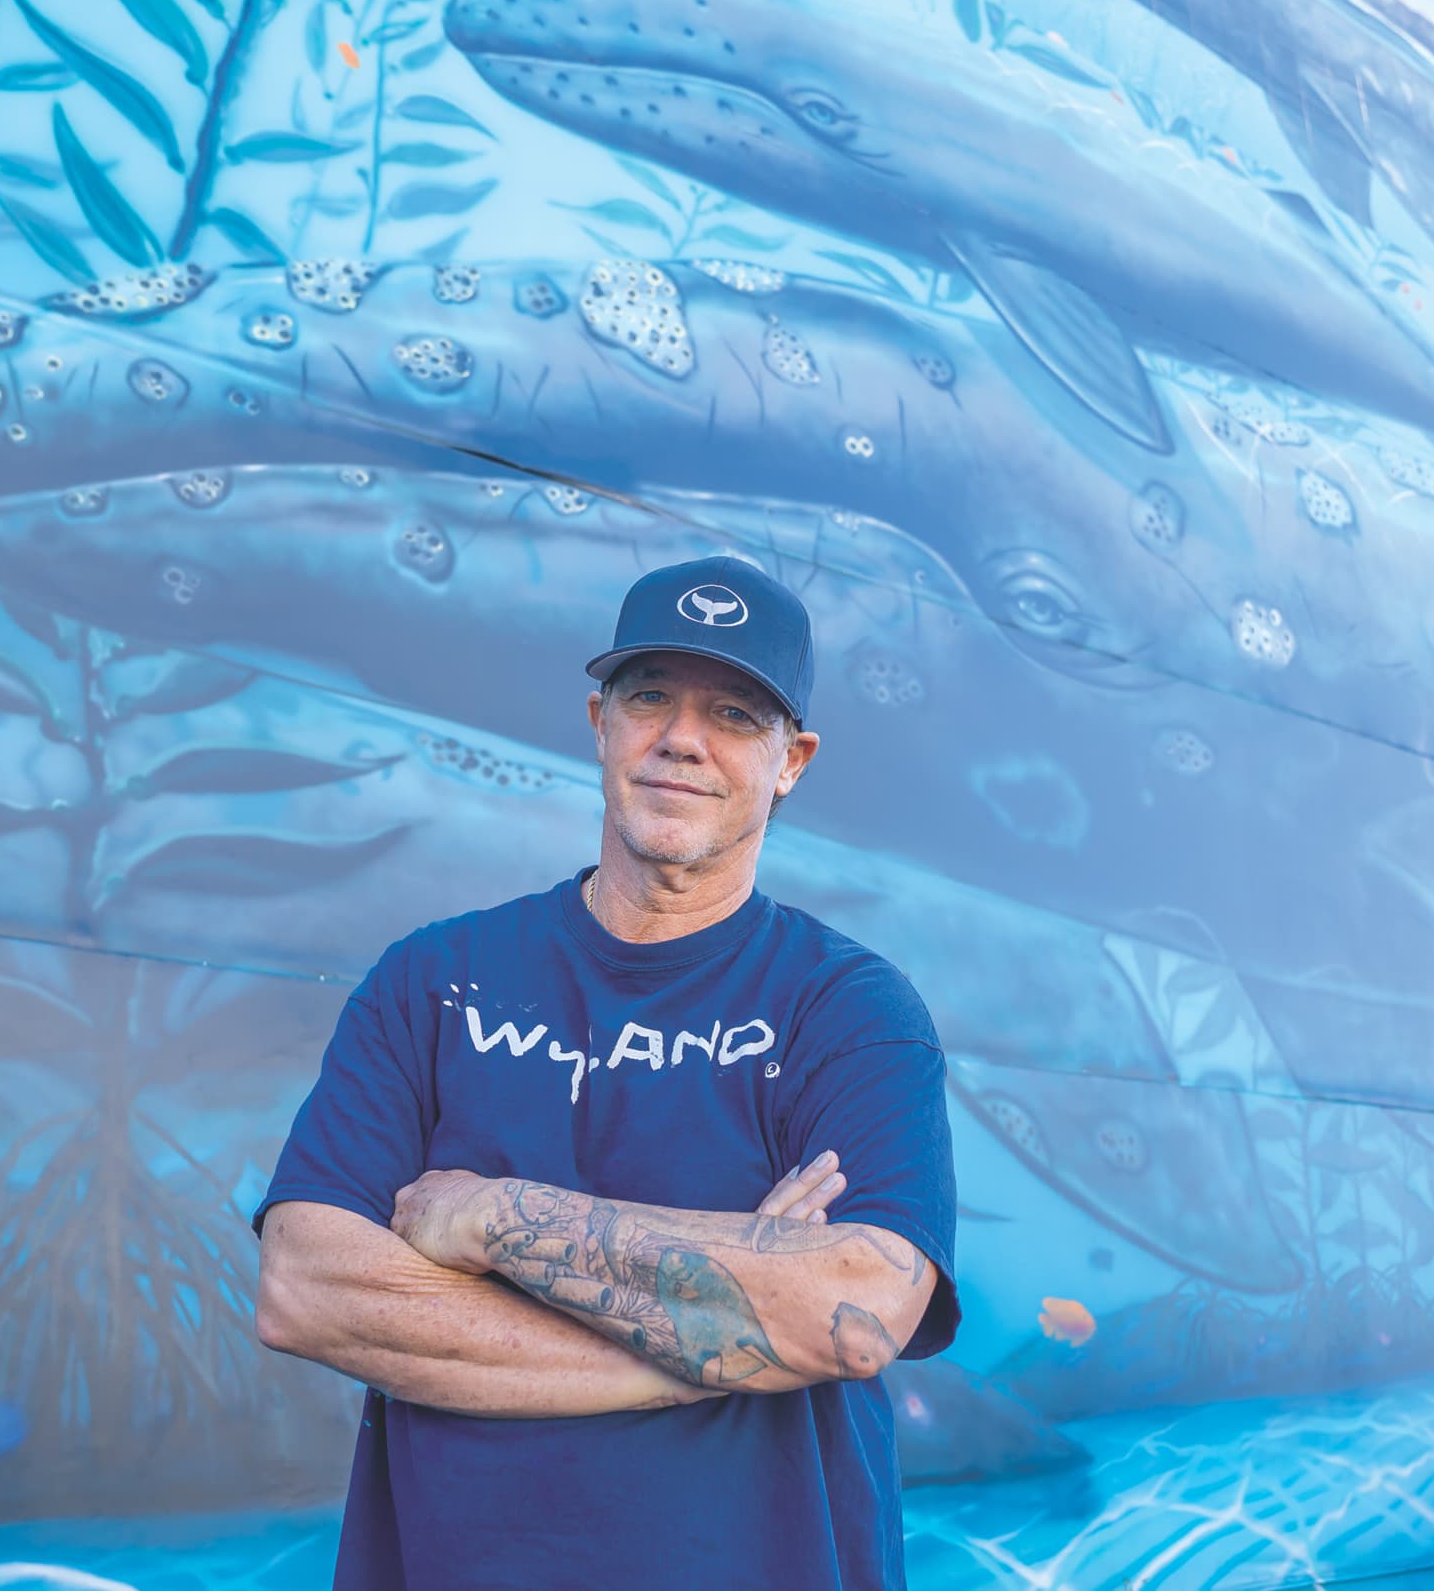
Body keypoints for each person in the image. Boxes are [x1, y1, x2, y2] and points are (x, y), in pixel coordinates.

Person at [252, 554, 960, 1591]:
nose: (682, 737)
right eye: (649, 697)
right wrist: (726, 1323)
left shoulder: (848, 1008)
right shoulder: (435, 981)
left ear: (792, 758)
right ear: (599, 721)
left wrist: (491, 1220)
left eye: (733, 712)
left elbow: (852, 1311)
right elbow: (306, 1288)